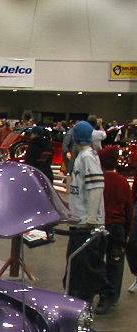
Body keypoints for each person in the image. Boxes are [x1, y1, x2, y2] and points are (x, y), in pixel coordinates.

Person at [64, 120, 111, 306]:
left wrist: (91, 217)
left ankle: (101, 294)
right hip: (81, 220)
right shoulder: (85, 156)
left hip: (86, 223)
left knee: (86, 268)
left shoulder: (86, 157)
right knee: (79, 265)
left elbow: (96, 187)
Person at [97, 146, 133, 312]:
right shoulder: (123, 182)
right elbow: (129, 208)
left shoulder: (98, 181)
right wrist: (127, 231)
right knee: (116, 264)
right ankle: (112, 297)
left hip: (101, 226)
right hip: (118, 228)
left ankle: (103, 294)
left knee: (98, 261)